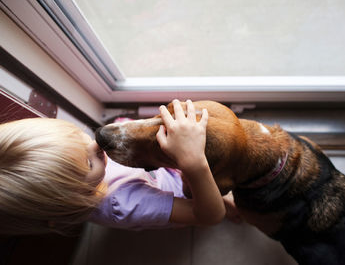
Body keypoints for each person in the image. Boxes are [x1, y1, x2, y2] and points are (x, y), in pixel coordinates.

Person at [0, 99, 231, 235]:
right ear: (76, 198)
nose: (95, 143)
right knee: (228, 200)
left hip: (157, 167)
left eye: (78, 136)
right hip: (181, 189)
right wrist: (194, 164)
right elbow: (208, 217)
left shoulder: (80, 179)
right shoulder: (124, 203)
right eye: (89, 162)